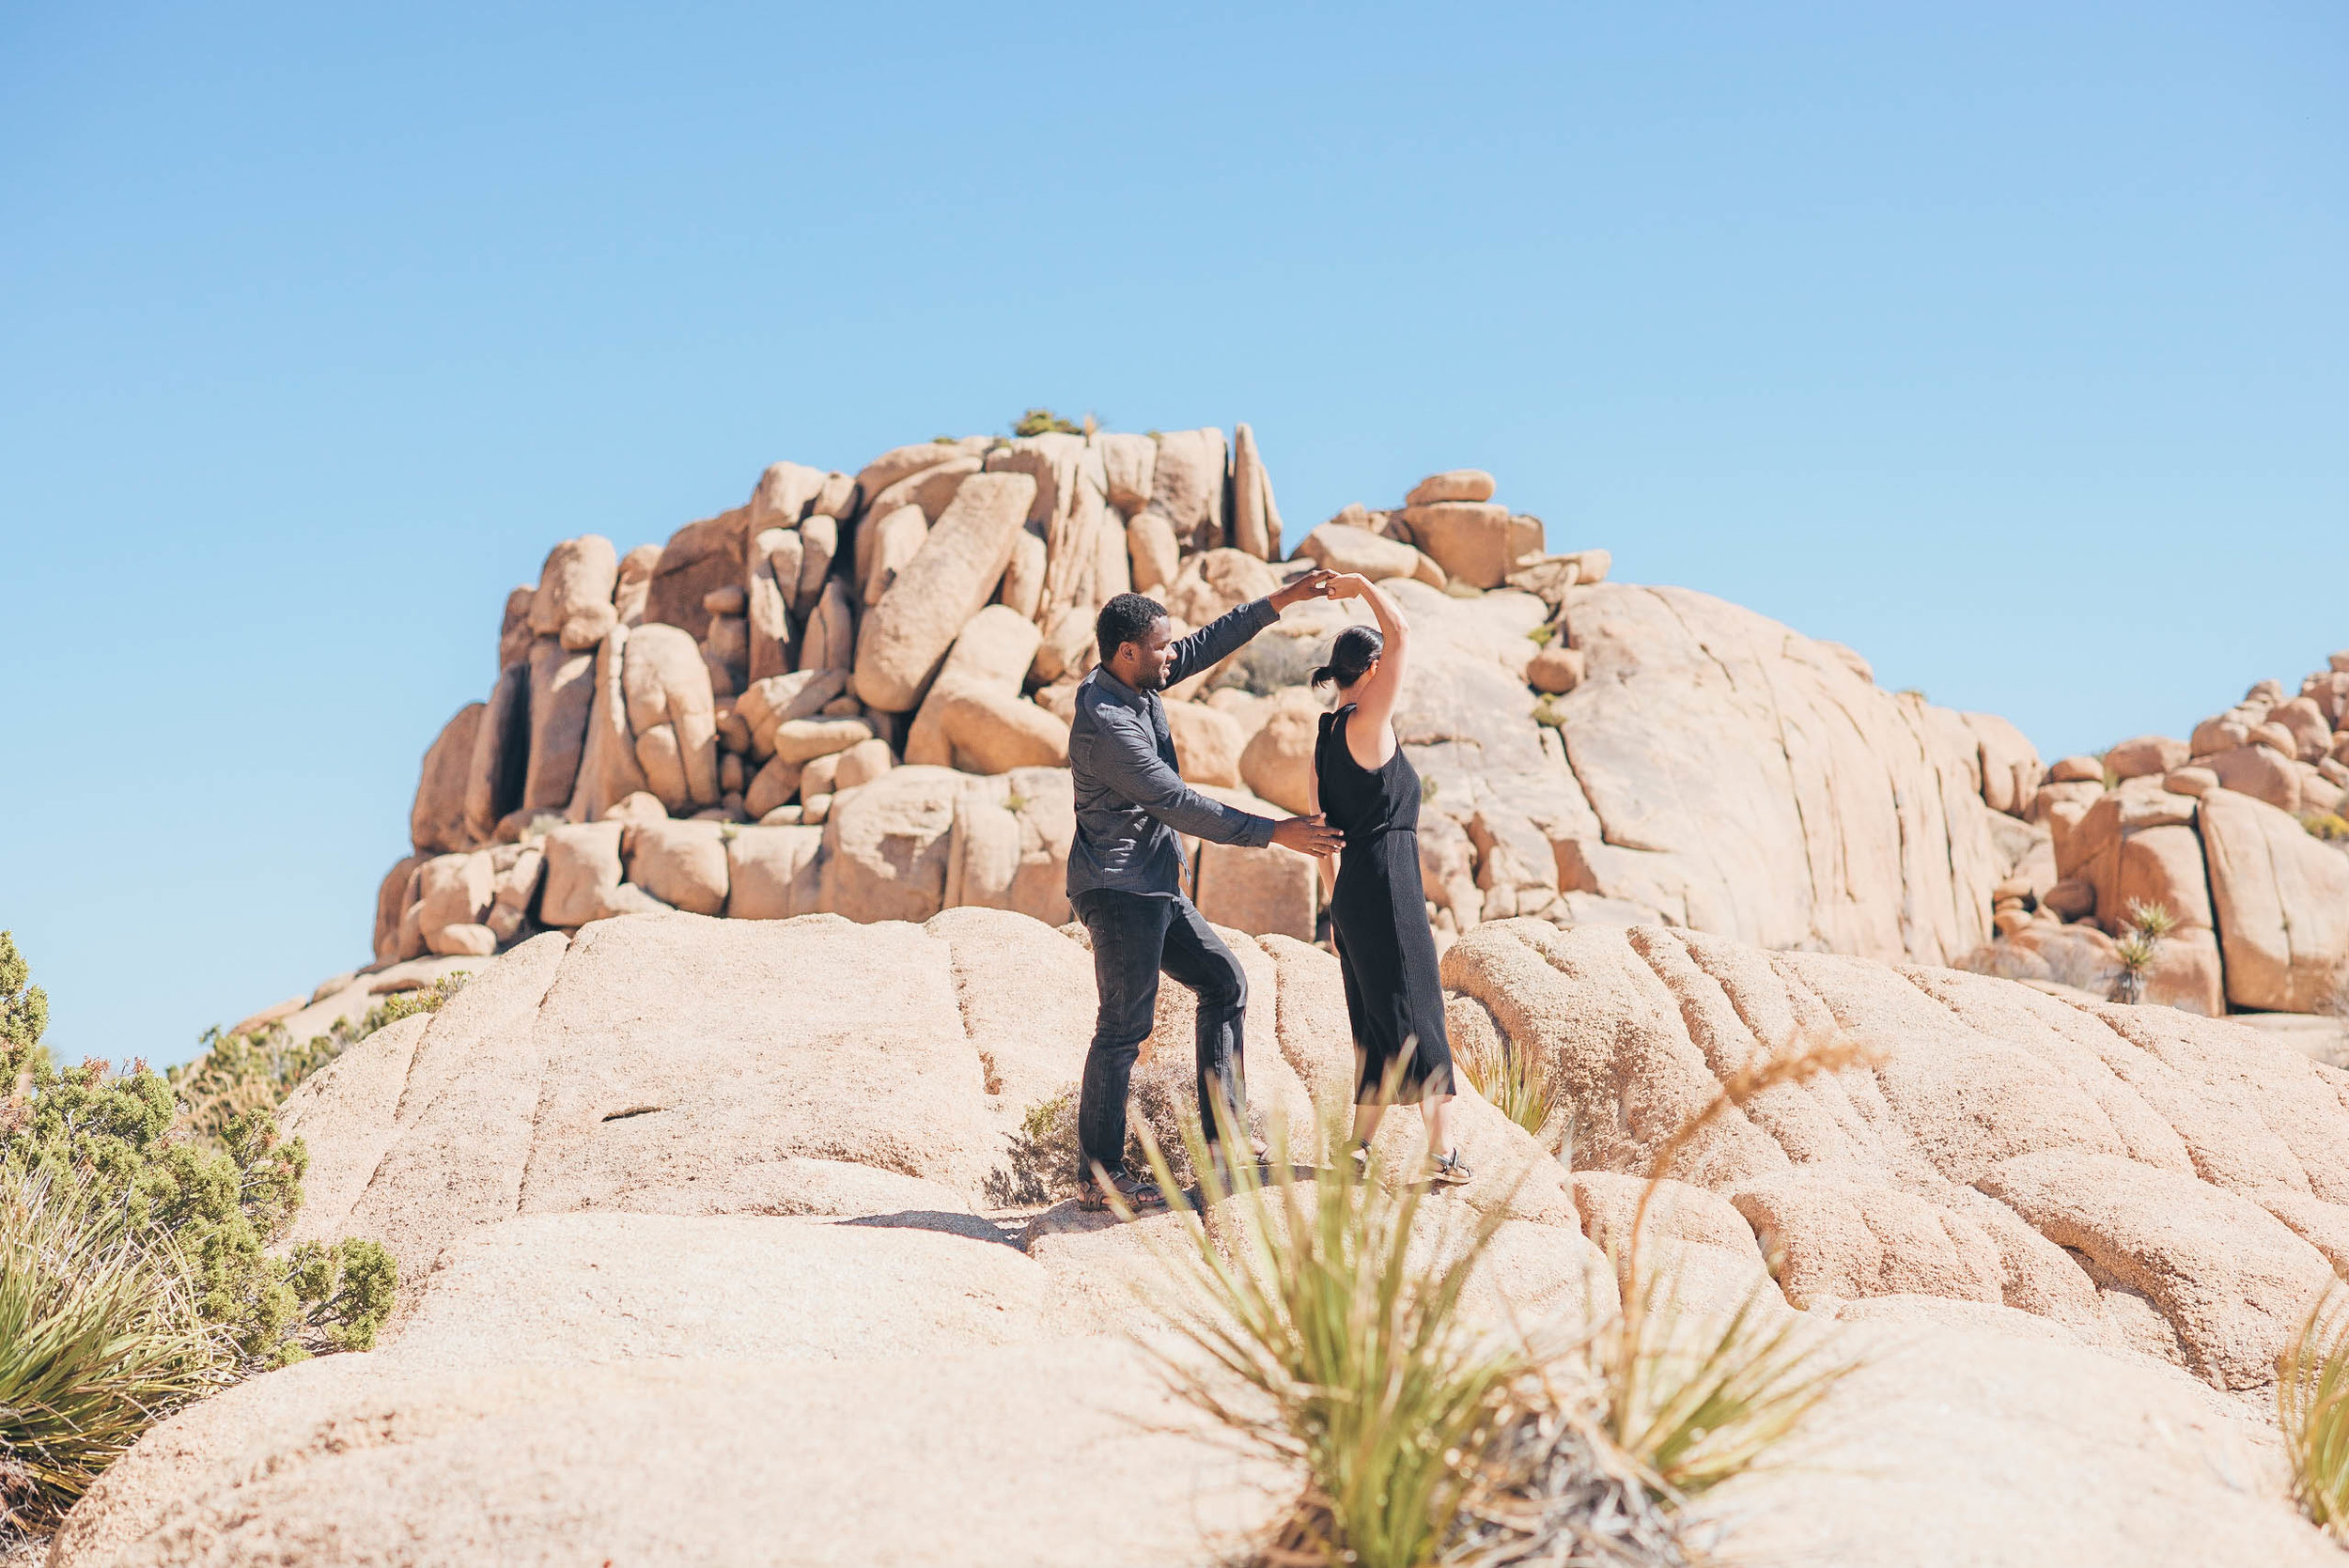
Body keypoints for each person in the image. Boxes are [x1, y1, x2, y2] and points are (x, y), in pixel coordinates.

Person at [1068, 575, 1348, 1211]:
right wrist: (1274, 832)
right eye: (1160, 647)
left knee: (1224, 982)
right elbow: (1175, 801)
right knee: (1121, 1030)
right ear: (1127, 652)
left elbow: (1204, 644)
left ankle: (1223, 1143)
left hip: (1154, 884)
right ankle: (1098, 1177)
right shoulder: (1107, 720)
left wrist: (1283, 600)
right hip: (1119, 892)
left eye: (1169, 645)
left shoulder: (1138, 675)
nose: (1173, 654)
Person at [1307, 573, 1470, 1187]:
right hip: (1388, 881)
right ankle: (1443, 1152)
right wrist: (1359, 583)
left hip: (1350, 890)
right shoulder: (1368, 722)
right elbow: (1401, 631)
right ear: (1370, 669)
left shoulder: (1323, 736)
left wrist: (1333, 913)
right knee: (1421, 1009)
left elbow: (1321, 831)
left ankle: (1357, 1146)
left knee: (1376, 1019)